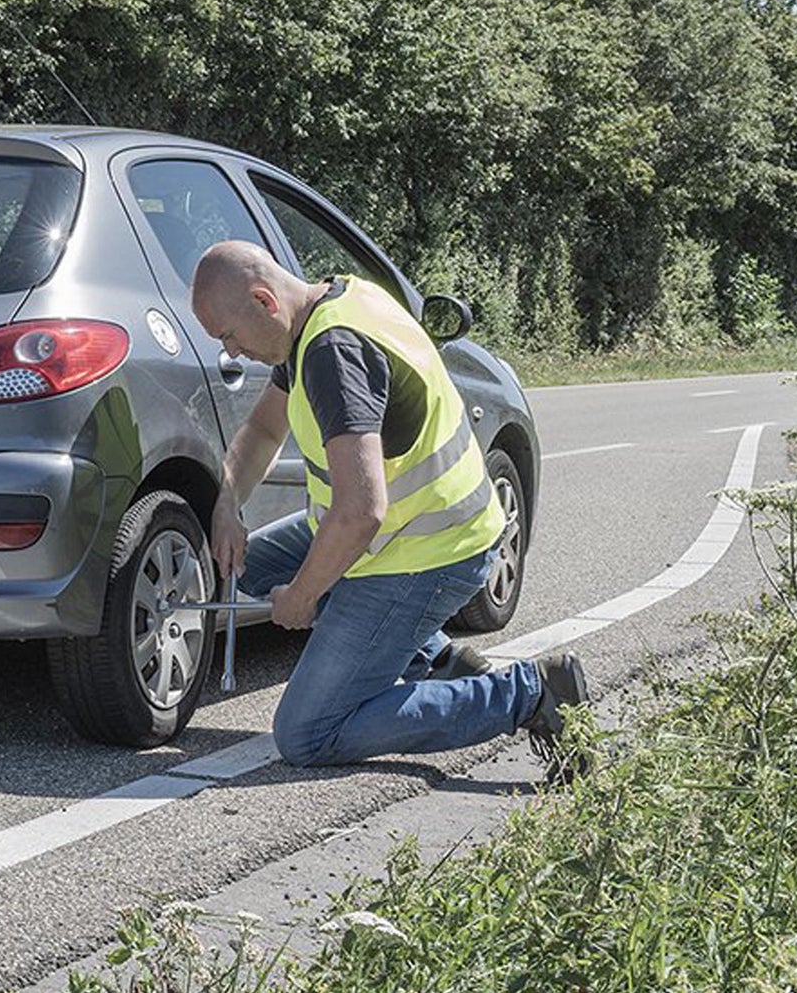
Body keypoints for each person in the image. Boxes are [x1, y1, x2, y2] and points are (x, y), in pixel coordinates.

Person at [189, 241, 588, 774]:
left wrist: (304, 596)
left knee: (307, 734)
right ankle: (441, 662)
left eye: (229, 336)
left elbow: (361, 511)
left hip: (426, 550)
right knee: (248, 568)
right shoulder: (325, 309)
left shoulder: (335, 353)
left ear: (264, 302)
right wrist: (228, 500)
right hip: (386, 535)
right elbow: (264, 429)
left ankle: (531, 694)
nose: (231, 353)